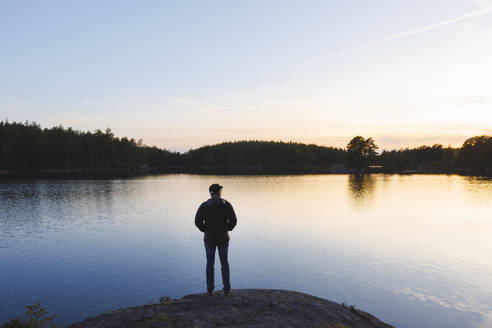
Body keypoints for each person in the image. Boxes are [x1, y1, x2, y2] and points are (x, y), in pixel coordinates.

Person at [195, 183, 237, 296]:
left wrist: (206, 230)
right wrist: (226, 228)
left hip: (209, 239)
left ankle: (210, 291)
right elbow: (234, 221)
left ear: (210, 193)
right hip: (223, 238)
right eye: (220, 191)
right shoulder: (226, 204)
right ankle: (227, 290)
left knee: (210, 264)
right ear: (218, 192)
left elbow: (197, 222)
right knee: (224, 264)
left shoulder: (204, 205)